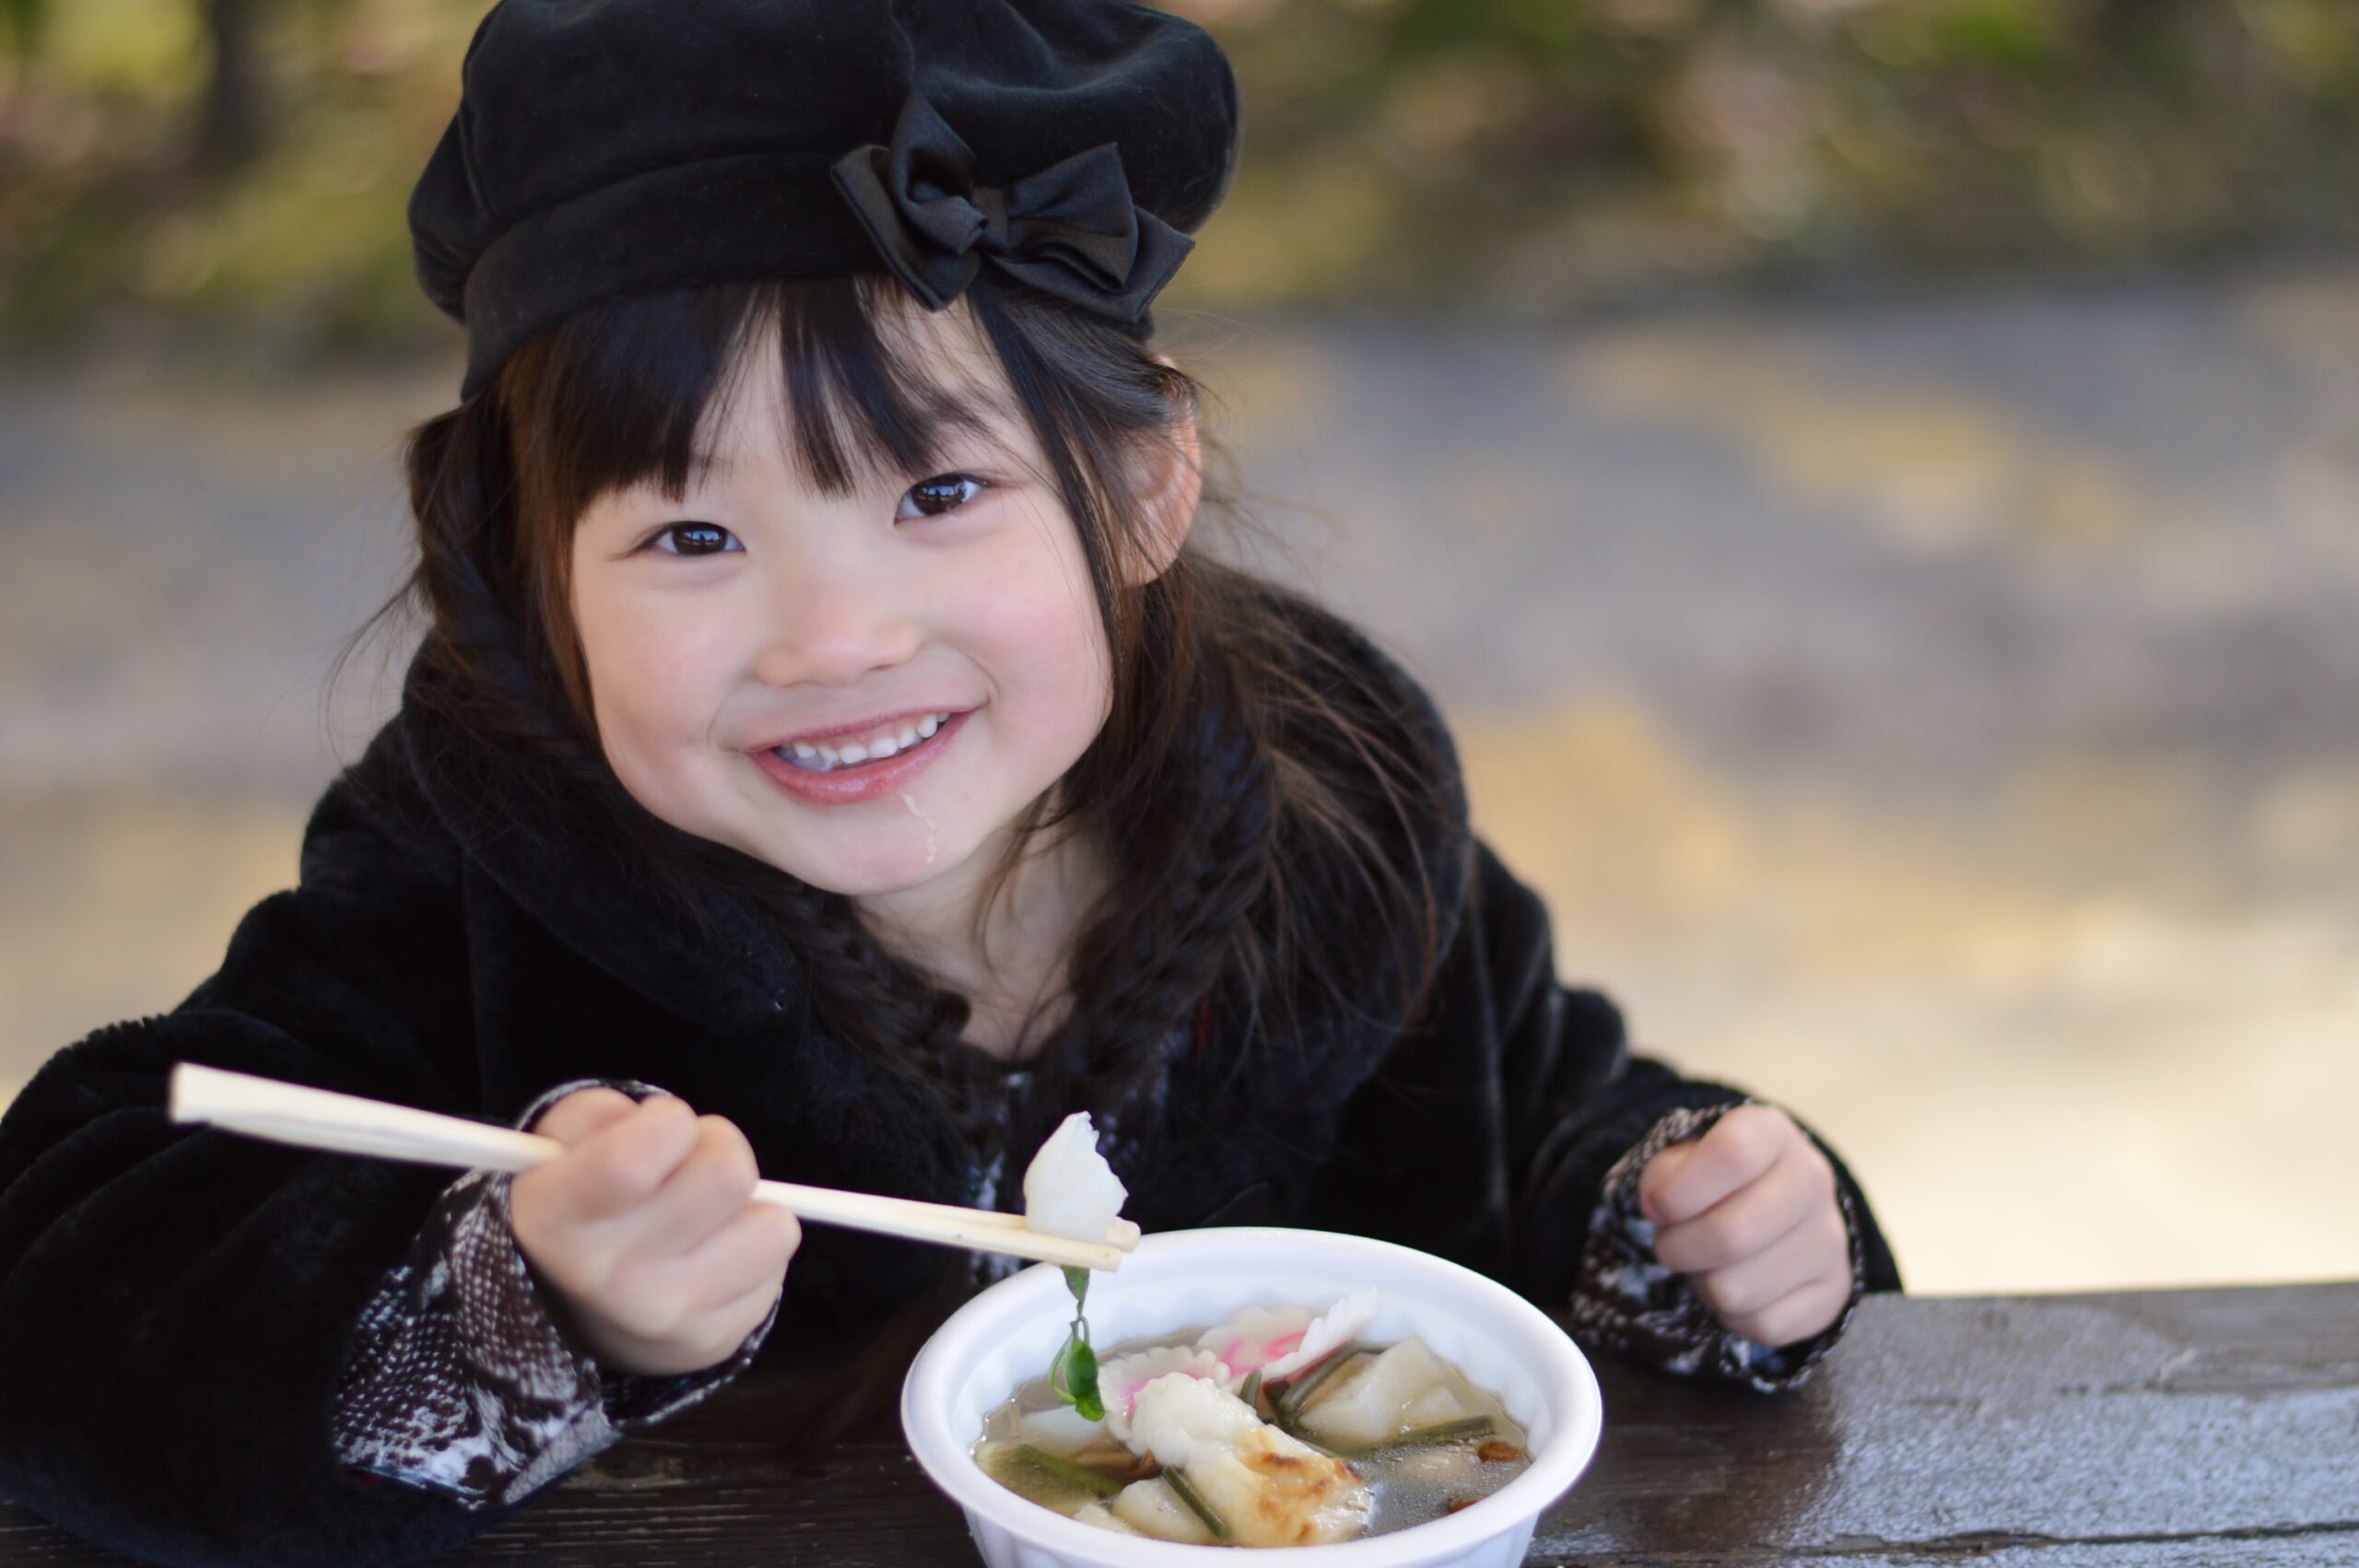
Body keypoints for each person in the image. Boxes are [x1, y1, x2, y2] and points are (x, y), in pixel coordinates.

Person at [0, 1, 1902, 1562]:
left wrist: (1686, 1225)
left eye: (936, 492)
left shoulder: (1334, 819)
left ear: (1145, 484)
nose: (832, 637)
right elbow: (68, 1294)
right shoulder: (486, 873)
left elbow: (1557, 1128)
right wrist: (533, 1300)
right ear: (523, 568)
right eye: (688, 537)